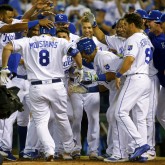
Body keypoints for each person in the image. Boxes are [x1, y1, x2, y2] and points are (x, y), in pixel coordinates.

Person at [0, 25, 83, 161]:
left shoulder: (29, 41)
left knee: (40, 122)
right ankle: (68, 148)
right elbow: (75, 53)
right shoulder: (60, 41)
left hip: (36, 86)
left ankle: (49, 150)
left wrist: (4, 67)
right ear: (52, 32)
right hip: (56, 85)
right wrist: (80, 68)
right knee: (62, 117)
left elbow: (8, 47)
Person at [114, 13, 152, 161]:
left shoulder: (133, 38)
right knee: (140, 118)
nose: (124, 27)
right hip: (146, 78)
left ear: (132, 25)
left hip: (134, 78)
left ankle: (140, 144)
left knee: (120, 112)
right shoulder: (145, 39)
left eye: (126, 24)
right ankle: (142, 155)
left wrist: (118, 74)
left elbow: (129, 59)